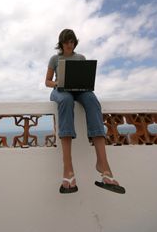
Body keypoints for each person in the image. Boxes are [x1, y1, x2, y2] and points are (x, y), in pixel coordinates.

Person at [45, 29, 125, 194]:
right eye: (67, 41)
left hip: (78, 89)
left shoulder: (80, 58)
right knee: (66, 100)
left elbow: (84, 77)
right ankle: (68, 169)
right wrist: (58, 83)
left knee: (92, 100)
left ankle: (103, 165)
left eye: (72, 41)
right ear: (61, 43)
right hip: (60, 91)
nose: (70, 44)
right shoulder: (55, 59)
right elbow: (47, 82)